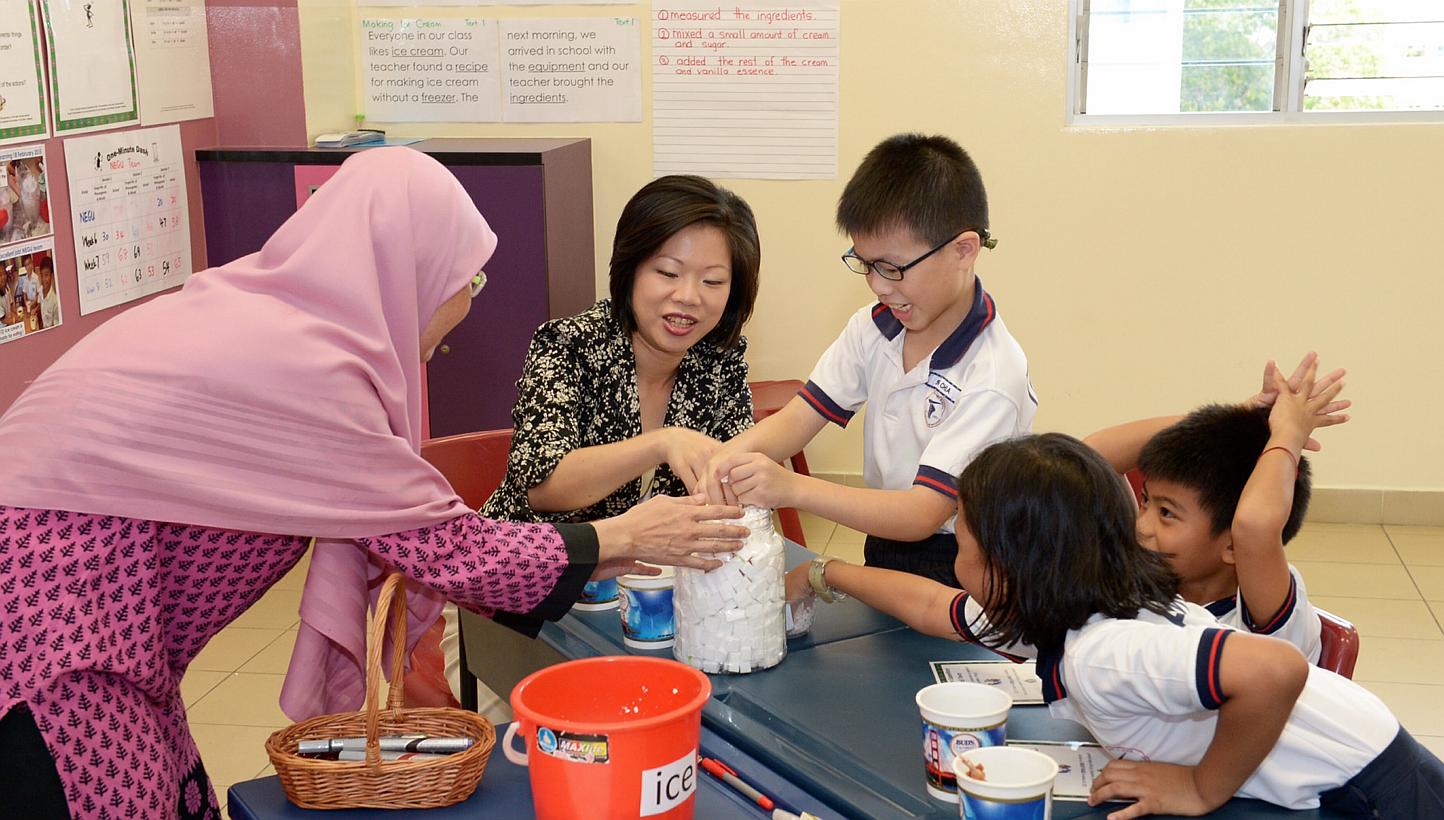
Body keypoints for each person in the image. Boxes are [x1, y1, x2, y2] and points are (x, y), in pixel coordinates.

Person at [0, 148, 746, 819]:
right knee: (105, 790)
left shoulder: (257, 314)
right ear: (404, 265)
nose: (465, 304)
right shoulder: (308, 370)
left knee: (168, 783)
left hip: (106, 629)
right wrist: (621, 537)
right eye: (466, 278)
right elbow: (450, 548)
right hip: (56, 637)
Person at [788, 433, 1444, 818]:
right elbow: (935, 607)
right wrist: (827, 573)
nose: (952, 553)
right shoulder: (1064, 602)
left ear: (1003, 567)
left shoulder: (1104, 652)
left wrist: (1197, 787)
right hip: (1351, 761)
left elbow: (1277, 670)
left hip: (1369, 785)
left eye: (961, 538)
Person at [700, 133, 1036, 584]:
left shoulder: (992, 375)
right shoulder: (874, 327)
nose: (878, 285)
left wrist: (792, 487)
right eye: (865, 263)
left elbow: (922, 513)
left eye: (892, 267)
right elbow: (798, 420)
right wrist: (722, 462)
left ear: (964, 250)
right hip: (883, 533)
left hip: (968, 564)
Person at [483, 173, 761, 526]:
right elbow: (543, 487)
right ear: (630, 270)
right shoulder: (569, 345)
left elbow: (735, 481)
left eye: (712, 282)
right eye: (667, 273)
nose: (689, 297)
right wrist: (662, 443)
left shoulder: (719, 359)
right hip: (540, 565)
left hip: (656, 571)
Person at [1083, 353, 1349, 660]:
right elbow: (1089, 460)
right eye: (1145, 502)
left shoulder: (1264, 622)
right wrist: (1230, 422)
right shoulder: (1144, 574)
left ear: (1234, 547)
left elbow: (1253, 525)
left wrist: (1289, 431)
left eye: (1166, 513)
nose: (1141, 525)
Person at [36, 255, 60, 330]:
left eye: (46, 275)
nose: (43, 279)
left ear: (51, 276)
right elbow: (40, 305)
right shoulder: (40, 290)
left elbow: (55, 326)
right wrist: (35, 309)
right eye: (41, 275)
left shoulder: (55, 301)